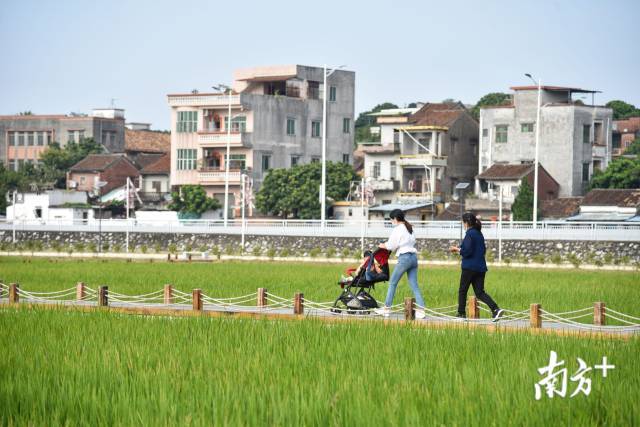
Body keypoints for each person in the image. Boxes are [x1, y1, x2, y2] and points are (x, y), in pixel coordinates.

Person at [450, 212, 504, 322]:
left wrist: (457, 250)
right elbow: (481, 249)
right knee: (480, 292)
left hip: (469, 267)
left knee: (462, 290)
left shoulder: (469, 234)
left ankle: (461, 314)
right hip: (480, 268)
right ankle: (495, 309)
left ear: (466, 223)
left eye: (463, 222)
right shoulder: (479, 234)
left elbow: (467, 251)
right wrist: (460, 248)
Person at [375, 209, 427, 319]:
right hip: (413, 258)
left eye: (391, 219)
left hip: (404, 258)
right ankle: (421, 310)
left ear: (395, 219)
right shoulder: (409, 227)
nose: (391, 221)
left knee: (392, 283)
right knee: (414, 284)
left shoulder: (398, 229)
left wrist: (381, 245)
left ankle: (386, 309)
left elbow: (391, 246)